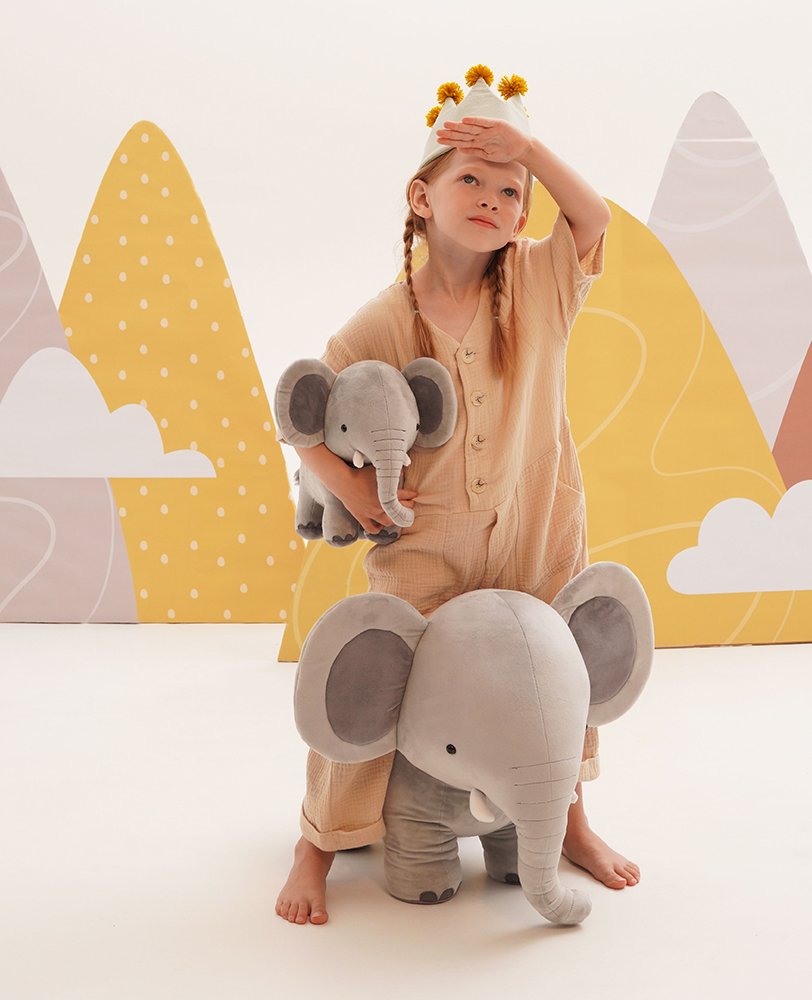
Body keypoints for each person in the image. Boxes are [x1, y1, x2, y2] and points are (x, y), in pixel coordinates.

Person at [276, 67, 640, 926]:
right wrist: (350, 486)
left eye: (509, 191)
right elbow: (300, 416)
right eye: (470, 179)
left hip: (538, 526)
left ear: (522, 213)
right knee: (380, 678)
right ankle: (317, 842)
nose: (491, 199)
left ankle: (572, 822)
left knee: (557, 680)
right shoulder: (384, 319)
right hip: (426, 541)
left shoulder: (541, 284)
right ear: (422, 196)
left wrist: (528, 151)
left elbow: (593, 218)